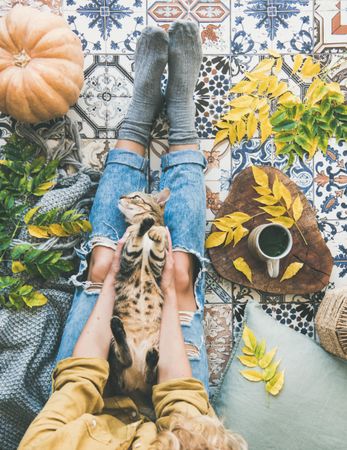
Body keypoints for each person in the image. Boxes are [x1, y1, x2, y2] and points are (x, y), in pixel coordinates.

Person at [18, 21, 247, 450]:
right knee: (179, 272)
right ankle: (181, 118)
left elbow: (78, 381)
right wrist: (170, 298)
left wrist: (110, 285)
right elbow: (184, 401)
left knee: (103, 262)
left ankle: (138, 121)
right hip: (172, 424)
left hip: (92, 395)